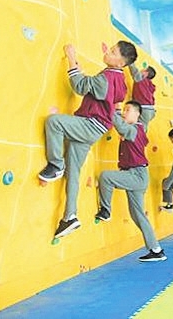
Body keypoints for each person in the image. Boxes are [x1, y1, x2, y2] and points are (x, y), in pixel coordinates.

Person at [38, 40, 138, 239]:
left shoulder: (107, 77)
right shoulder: (120, 81)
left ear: (121, 63)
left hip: (90, 124)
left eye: (113, 52)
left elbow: (80, 86)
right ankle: (70, 216)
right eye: (110, 49)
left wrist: (72, 57)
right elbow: (106, 95)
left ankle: (56, 164)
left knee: (54, 122)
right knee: (73, 172)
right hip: (96, 128)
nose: (108, 53)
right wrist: (84, 74)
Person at [94, 101, 166, 262]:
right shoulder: (134, 131)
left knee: (106, 176)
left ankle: (105, 211)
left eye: (128, 110)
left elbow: (122, 127)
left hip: (137, 175)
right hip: (134, 174)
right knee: (137, 215)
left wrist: (110, 108)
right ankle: (156, 249)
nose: (124, 113)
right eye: (124, 110)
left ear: (137, 114)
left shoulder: (136, 129)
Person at [128, 63, 156, 131]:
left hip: (144, 109)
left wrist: (130, 60)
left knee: (140, 129)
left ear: (146, 73)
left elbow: (134, 70)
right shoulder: (149, 84)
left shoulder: (141, 79)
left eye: (143, 70)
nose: (141, 70)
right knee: (141, 127)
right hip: (150, 110)